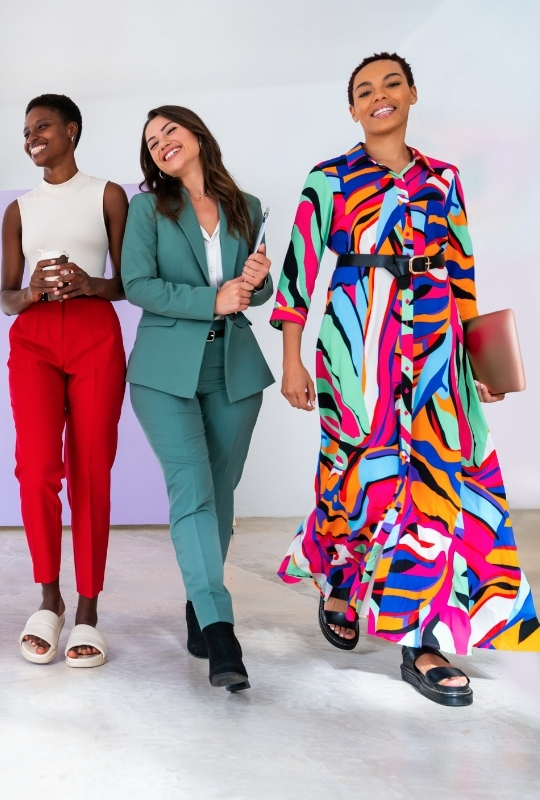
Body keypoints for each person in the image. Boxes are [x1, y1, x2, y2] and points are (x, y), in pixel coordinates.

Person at [273, 52, 539, 706]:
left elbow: (465, 274)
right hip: (356, 345)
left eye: (392, 83)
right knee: (354, 472)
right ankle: (340, 578)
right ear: (353, 108)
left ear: (413, 93)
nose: (379, 96)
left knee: (441, 480)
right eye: (365, 90)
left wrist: (481, 360)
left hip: (437, 345)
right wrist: (292, 358)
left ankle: (422, 640)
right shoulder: (328, 179)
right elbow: (298, 272)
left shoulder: (443, 179)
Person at [121, 105, 273, 691]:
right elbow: (139, 286)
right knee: (192, 490)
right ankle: (220, 630)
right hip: (164, 372)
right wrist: (213, 300)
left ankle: (197, 596)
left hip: (233, 370)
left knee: (221, 496)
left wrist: (254, 283)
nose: (161, 144)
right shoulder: (147, 209)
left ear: (198, 135)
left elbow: (253, 301)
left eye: (170, 132)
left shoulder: (247, 207)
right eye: (152, 141)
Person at [0, 94, 128, 668]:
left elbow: (127, 282)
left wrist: (87, 282)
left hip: (94, 332)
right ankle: (49, 596)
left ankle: (89, 607)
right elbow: (5, 298)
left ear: (72, 130)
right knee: (35, 469)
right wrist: (32, 291)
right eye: (26, 130)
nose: (32, 136)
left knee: (91, 467)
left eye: (43, 126)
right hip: (33, 338)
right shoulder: (18, 209)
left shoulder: (108, 194)